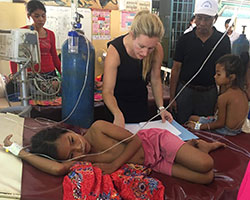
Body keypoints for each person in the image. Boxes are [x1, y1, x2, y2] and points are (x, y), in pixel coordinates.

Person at [2, 120, 226, 184]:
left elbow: (136, 140)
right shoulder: (83, 159)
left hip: (156, 143)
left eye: (72, 140)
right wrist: (18, 151)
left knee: (206, 164)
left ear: (66, 131)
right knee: (207, 178)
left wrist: (114, 165)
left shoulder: (98, 128)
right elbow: (58, 168)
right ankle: (195, 147)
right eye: (71, 154)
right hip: (152, 164)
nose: (78, 148)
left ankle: (199, 144)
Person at [102, 10, 172, 128]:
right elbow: (107, 91)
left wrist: (161, 108)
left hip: (140, 105)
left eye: (150, 48)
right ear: (132, 35)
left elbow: (155, 80)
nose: (145, 53)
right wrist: (117, 114)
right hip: (116, 107)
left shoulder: (157, 49)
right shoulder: (115, 50)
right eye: (141, 46)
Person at [169, 0, 231, 125]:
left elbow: (226, 72)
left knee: (204, 130)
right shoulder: (185, 39)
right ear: (194, 18)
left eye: (207, 19)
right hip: (185, 91)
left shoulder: (223, 41)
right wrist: (172, 98)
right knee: (180, 126)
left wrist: (220, 100)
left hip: (209, 94)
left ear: (215, 18)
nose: (202, 23)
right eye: (199, 18)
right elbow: (176, 68)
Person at [186, 54, 248, 135]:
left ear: (231, 77)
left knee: (191, 120)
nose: (215, 76)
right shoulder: (242, 93)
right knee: (193, 118)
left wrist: (198, 127)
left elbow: (220, 124)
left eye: (218, 74)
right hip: (237, 130)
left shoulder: (224, 97)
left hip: (226, 131)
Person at [10, 0, 61, 77]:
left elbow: (54, 56)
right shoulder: (22, 33)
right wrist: (14, 76)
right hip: (31, 76)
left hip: (50, 74)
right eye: (36, 16)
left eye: (43, 15)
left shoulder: (50, 34)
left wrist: (62, 73)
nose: (41, 19)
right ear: (29, 16)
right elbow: (13, 58)